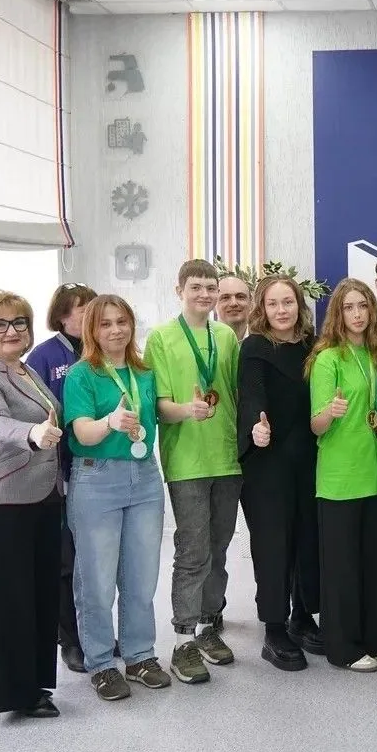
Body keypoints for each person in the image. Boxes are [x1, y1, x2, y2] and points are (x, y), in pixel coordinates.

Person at [0, 291, 64, 717]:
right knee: (10, 604)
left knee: (39, 597)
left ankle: (35, 685)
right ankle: (14, 695)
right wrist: (31, 433)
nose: (11, 331)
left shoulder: (26, 371)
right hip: (1, 504)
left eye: (19, 322)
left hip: (42, 498)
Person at [64, 295, 171, 700]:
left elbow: (159, 414)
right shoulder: (82, 375)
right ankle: (101, 664)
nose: (115, 330)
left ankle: (140, 655)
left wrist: (191, 409)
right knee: (97, 581)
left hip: (144, 478)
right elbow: (82, 433)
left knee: (141, 577)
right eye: (105, 324)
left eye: (122, 321)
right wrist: (109, 422)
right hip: (97, 480)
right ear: (92, 329)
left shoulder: (144, 373)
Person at [144, 259, 242, 684]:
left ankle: (208, 625)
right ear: (179, 290)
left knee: (219, 547)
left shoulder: (226, 337)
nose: (204, 294)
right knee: (192, 551)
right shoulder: (161, 338)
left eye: (210, 287)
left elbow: (236, 392)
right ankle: (182, 640)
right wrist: (188, 409)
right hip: (186, 460)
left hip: (227, 457)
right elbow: (158, 405)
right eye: (196, 287)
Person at [307, 279, 377, 672]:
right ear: (338, 314)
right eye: (349, 307)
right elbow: (315, 424)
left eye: (363, 306)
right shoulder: (328, 358)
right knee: (343, 567)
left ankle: (376, 639)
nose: (357, 314)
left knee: (376, 562)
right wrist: (331, 413)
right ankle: (343, 648)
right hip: (341, 476)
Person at [237, 275, 319, 672]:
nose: (282, 310)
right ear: (262, 309)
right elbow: (252, 392)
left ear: (299, 306)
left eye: (288, 302)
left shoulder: (312, 346)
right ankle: (274, 628)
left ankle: (302, 616)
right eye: (273, 303)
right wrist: (257, 425)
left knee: (308, 537)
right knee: (273, 545)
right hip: (267, 461)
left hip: (309, 459)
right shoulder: (255, 347)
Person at [27, 282, 96, 674]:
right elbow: (35, 415)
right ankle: (69, 639)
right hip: (59, 475)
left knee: (94, 562)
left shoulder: (100, 350)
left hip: (96, 470)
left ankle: (95, 633)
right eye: (80, 309)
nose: (87, 316)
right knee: (65, 562)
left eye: (91, 308)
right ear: (62, 315)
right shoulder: (43, 356)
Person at [216, 273, 252, 341]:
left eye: (240, 297)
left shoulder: (266, 342)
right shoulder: (202, 341)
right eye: (225, 297)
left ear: (251, 303)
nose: (233, 303)